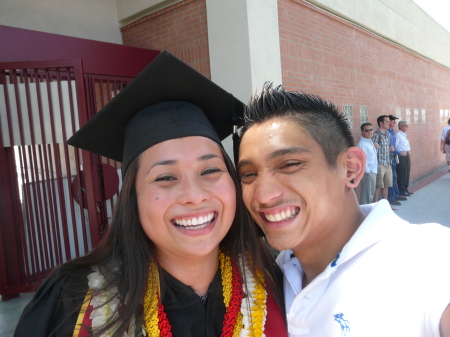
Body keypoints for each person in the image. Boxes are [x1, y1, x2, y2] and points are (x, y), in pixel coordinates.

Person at [14, 52, 287, 337]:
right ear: (133, 197)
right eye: (165, 177)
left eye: (210, 171)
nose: (194, 195)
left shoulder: (274, 280)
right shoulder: (71, 300)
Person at [237, 83, 450, 337]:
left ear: (350, 169)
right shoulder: (277, 273)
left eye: (289, 164)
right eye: (248, 174)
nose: (263, 195)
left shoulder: (426, 259)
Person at [372, 115, 394, 207]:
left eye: (389, 121)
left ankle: (385, 205)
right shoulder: (376, 134)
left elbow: (388, 146)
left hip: (387, 163)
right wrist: (375, 145)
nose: (389, 123)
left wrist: (390, 148)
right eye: (387, 121)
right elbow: (372, 149)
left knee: (386, 185)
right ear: (381, 123)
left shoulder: (388, 134)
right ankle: (375, 206)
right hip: (379, 163)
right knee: (378, 186)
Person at [386, 115, 407, 205]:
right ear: (389, 122)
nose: (395, 123)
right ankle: (391, 197)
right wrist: (400, 152)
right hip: (389, 156)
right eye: (393, 121)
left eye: (395, 121)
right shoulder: (387, 132)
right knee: (391, 178)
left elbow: (393, 146)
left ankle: (396, 195)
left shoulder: (392, 131)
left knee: (394, 177)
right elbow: (391, 148)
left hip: (394, 156)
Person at [357, 122, 377, 204]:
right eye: (367, 130)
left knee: (370, 194)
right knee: (367, 196)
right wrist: (368, 172)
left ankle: (368, 213)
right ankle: (365, 214)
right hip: (368, 173)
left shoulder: (369, 142)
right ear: (362, 132)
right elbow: (361, 160)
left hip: (372, 172)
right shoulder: (362, 144)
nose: (370, 132)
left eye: (371, 130)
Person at [396, 120, 413, 196]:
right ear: (401, 126)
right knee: (402, 173)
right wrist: (400, 153)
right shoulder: (398, 135)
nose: (407, 127)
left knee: (407, 172)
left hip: (406, 154)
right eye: (405, 126)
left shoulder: (404, 135)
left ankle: (405, 188)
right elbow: (395, 147)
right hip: (401, 156)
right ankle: (401, 190)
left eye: (407, 126)